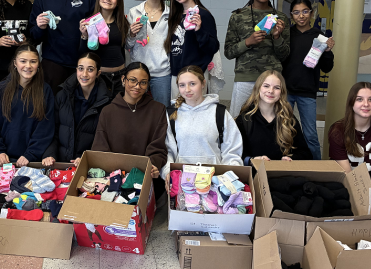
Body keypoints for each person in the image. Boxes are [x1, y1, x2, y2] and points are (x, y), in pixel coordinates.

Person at [92, 62, 168, 200]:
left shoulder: (158, 110)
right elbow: (100, 148)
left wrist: (152, 166)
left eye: (143, 82)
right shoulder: (108, 111)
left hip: (144, 180)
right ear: (123, 80)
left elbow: (158, 146)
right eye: (133, 80)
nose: (137, 86)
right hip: (113, 181)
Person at [225, 0, 290, 118]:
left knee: (271, 122)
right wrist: (248, 42)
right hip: (245, 78)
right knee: (238, 122)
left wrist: (277, 37)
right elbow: (228, 52)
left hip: (272, 81)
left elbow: (285, 55)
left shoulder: (281, 18)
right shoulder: (238, 16)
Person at [29, 0, 97, 92]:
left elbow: (98, 29)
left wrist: (88, 31)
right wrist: (40, 27)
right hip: (53, 63)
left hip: (82, 63)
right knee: (53, 103)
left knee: (80, 103)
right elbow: (33, 36)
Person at [164, 65, 244, 177]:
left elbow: (232, 151)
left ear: (203, 84)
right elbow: (167, 150)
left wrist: (228, 177)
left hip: (215, 178)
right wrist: (168, 173)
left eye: (192, 84)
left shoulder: (220, 113)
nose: (187, 89)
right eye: (182, 85)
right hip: (183, 179)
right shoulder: (171, 114)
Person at [0, 44, 55, 166]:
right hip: (5, 159)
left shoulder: (45, 91)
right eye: (23, 61)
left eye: (33, 61)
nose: (28, 66)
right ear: (15, 63)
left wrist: (31, 154)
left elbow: (45, 129)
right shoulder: (0, 90)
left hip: (33, 160)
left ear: (38, 64)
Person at [282, 0, 334, 160]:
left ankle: (316, 167)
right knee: (283, 131)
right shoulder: (287, 34)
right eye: (296, 12)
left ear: (311, 13)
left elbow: (327, 68)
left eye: (305, 11)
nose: (301, 16)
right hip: (286, 91)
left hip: (308, 92)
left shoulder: (319, 36)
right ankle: (281, 163)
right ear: (291, 15)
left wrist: (327, 52)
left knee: (310, 135)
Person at [42, 52, 110, 167]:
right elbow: (53, 130)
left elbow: (103, 140)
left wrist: (86, 158)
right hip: (61, 163)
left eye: (90, 69)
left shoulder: (106, 102)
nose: (84, 74)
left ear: (98, 73)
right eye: (81, 68)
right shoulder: (62, 96)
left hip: (89, 166)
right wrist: (50, 154)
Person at [235, 70, 312, 165]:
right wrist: (252, 160)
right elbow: (236, 155)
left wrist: (292, 159)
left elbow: (305, 153)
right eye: (266, 86)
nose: (271, 91)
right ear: (258, 88)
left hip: (282, 172)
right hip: (256, 172)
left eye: (277, 87)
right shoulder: (244, 120)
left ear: (281, 92)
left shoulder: (289, 119)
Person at [328, 82, 371, 185]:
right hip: (345, 184)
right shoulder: (337, 131)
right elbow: (347, 173)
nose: (366, 104)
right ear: (351, 103)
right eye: (359, 99)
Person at [164, 0, 219, 92]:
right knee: (177, 104)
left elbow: (213, 47)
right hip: (176, 74)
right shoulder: (175, 16)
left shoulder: (203, 15)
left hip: (195, 74)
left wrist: (199, 30)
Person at [126, 0, 171, 107]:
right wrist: (131, 35)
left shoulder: (171, 14)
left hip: (162, 73)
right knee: (136, 111)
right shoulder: (134, 12)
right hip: (138, 71)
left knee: (161, 111)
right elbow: (128, 46)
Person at [79, 0, 129, 96]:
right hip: (99, 77)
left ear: (118, 1)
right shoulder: (89, 22)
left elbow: (122, 48)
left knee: (119, 107)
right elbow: (82, 54)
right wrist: (84, 36)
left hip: (120, 76)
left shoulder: (122, 22)